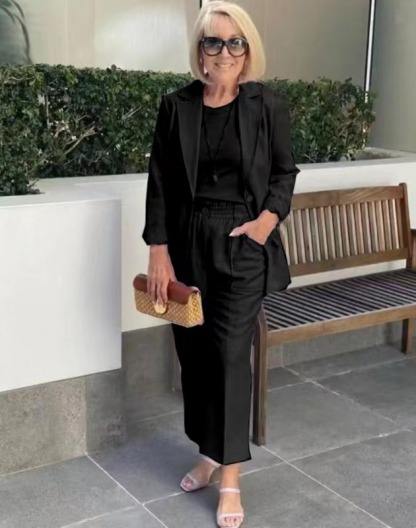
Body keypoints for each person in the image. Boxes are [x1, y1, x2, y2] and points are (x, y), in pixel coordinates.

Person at [143, 2, 299, 526]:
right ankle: (209, 452)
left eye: (236, 42)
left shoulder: (266, 105)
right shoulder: (177, 106)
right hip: (187, 243)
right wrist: (158, 250)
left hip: (241, 243)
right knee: (195, 355)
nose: (225, 52)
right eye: (214, 41)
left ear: (247, 50)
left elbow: (284, 173)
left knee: (231, 356)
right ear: (200, 51)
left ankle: (230, 478)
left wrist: (264, 223)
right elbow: (160, 182)